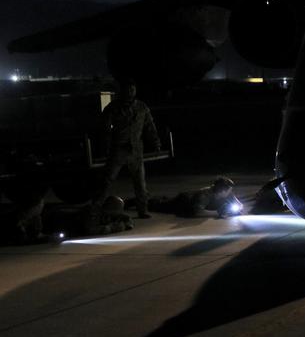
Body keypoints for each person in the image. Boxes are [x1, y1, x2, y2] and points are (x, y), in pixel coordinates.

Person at [95, 79, 159, 219]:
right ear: (122, 91)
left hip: (136, 150)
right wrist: (105, 147)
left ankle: (143, 210)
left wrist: (155, 142)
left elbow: (150, 126)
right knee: (107, 180)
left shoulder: (142, 107)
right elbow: (104, 129)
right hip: (118, 149)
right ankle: (95, 207)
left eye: (132, 89)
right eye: (128, 89)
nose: (130, 92)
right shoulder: (113, 108)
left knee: (140, 183)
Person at [146, 176, 242, 218]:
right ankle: (139, 200)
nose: (231, 192)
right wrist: (217, 213)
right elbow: (197, 212)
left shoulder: (227, 193)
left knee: (163, 199)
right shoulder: (205, 195)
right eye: (229, 190)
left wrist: (236, 210)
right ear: (222, 191)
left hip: (191, 199)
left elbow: (239, 205)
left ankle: (147, 198)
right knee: (157, 205)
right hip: (183, 201)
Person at [46, 196, 134, 238]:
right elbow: (90, 229)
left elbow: (126, 218)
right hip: (56, 223)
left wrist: (127, 224)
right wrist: (113, 228)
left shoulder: (108, 213)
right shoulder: (93, 212)